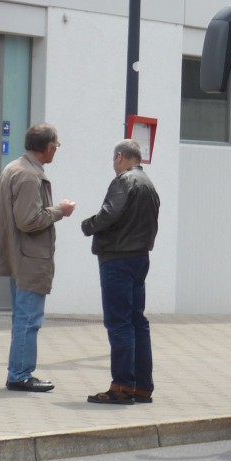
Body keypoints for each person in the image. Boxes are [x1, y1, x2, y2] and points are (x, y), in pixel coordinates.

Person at [0, 123, 75, 393]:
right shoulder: (28, 176)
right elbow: (28, 220)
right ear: (47, 147)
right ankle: (20, 374)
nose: (57, 150)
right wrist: (59, 210)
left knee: (22, 318)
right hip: (29, 257)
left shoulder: (14, 168)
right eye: (56, 145)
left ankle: (19, 371)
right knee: (28, 319)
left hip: (19, 255)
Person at [80, 139, 160, 405]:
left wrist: (88, 225)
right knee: (138, 322)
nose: (114, 165)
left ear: (121, 157)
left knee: (119, 322)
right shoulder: (149, 185)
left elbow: (109, 213)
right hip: (139, 258)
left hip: (117, 260)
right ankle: (142, 386)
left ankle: (122, 386)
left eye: (115, 160)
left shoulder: (123, 181)